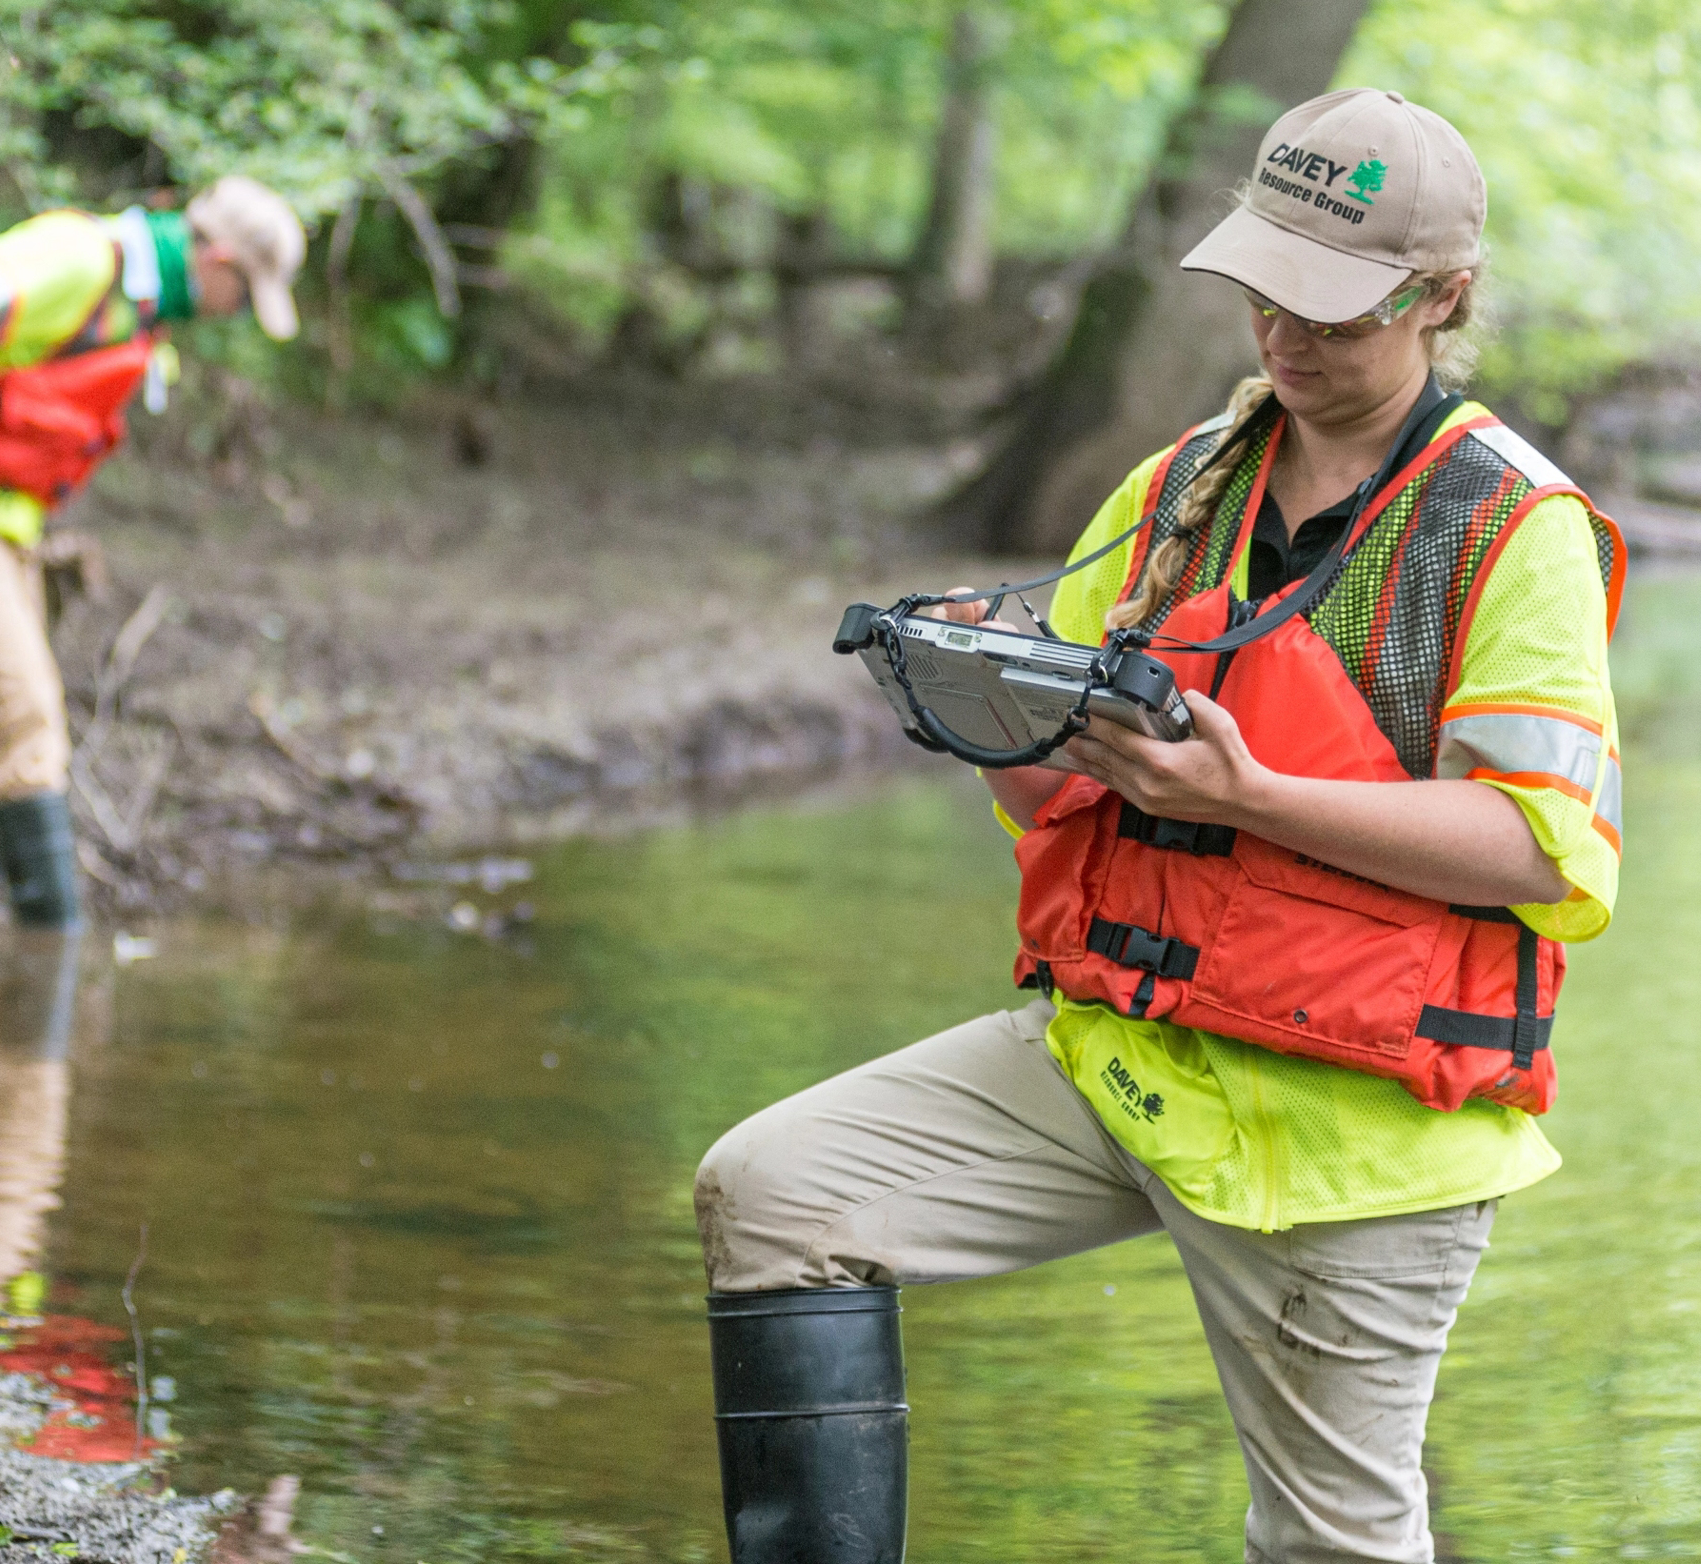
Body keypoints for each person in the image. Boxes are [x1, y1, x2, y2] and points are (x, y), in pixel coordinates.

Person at [694, 88, 1624, 1563]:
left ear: (1442, 298)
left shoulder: (1515, 528)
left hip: (1352, 1126)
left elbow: (1543, 849)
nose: (1286, 338)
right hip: (1131, 1055)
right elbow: (1059, 788)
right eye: (1268, 292)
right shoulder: (1181, 483)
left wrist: (1249, 796)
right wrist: (975, 710)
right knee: (780, 1190)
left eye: (1334, 311)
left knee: (1326, 1540)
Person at [0, 179, 306, 926]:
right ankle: (52, 960)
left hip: (7, 534)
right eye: (245, 292)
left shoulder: (143, 317)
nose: (235, 311)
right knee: (28, 721)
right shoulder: (79, 254)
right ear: (220, 259)